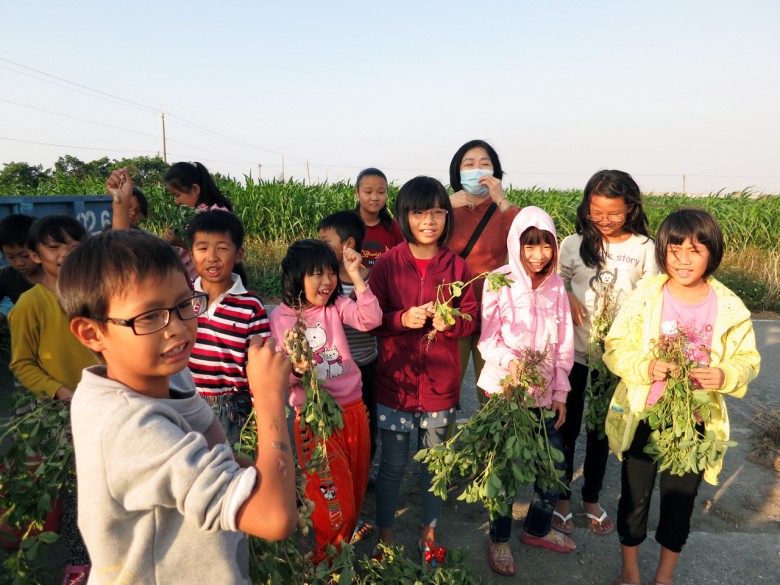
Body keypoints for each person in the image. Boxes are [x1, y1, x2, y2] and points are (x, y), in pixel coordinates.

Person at [58, 229, 297, 584]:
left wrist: (257, 476)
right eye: (150, 316)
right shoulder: (129, 427)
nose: (179, 329)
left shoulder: (169, 375)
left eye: (184, 305)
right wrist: (269, 400)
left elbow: (219, 451)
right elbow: (274, 519)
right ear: (92, 333)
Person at [603, 209, 760, 585]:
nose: (683, 260)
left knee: (678, 502)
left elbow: (747, 359)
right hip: (645, 412)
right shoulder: (646, 295)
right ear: (662, 252)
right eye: (674, 251)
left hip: (694, 423)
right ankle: (630, 571)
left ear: (713, 252)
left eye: (694, 250)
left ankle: (665, 577)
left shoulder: (729, 306)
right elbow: (616, 346)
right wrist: (645, 366)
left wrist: (725, 374)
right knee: (634, 498)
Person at [370, 176, 478, 568]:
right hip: (395, 386)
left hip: (439, 387)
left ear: (446, 217)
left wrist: (450, 321)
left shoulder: (458, 266)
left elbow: (471, 320)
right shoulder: (387, 263)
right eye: (419, 212)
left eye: (437, 211)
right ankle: (385, 537)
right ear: (405, 216)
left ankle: (428, 535)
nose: (429, 220)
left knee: (436, 467)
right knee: (393, 466)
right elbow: (372, 319)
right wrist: (403, 317)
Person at [553, 169, 657, 536]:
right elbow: (556, 280)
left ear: (631, 208)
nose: (605, 220)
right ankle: (562, 497)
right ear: (587, 208)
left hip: (616, 362)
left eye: (614, 213)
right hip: (575, 356)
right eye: (597, 211)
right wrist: (566, 295)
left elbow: (651, 300)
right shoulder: (572, 244)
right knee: (565, 428)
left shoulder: (645, 249)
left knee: (601, 432)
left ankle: (591, 496)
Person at [269, 239, 382, 564]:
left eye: (331, 273)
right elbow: (279, 373)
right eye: (316, 275)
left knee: (355, 485)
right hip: (314, 418)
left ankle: (341, 539)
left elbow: (370, 319)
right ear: (296, 277)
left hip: (353, 410)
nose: (327, 281)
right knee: (333, 497)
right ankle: (325, 562)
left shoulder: (335, 307)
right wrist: (295, 370)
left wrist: (357, 276)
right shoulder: (280, 318)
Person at [477, 206, 575, 576]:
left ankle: (537, 528)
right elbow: (487, 340)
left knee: (554, 468)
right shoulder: (498, 281)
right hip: (504, 392)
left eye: (545, 246)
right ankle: (499, 539)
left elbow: (563, 344)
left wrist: (561, 390)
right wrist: (511, 364)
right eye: (529, 247)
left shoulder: (557, 286)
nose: (538, 255)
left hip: (545, 396)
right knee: (502, 471)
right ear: (515, 245)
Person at [8, 215, 98, 584]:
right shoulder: (31, 304)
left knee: (93, 486)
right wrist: (61, 392)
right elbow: (22, 364)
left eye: (74, 247)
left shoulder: (94, 295)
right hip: (55, 411)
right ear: (35, 254)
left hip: (96, 404)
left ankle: (91, 557)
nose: (65, 254)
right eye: (54, 247)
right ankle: (76, 565)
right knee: (70, 488)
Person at [186, 210, 270, 447]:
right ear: (191, 255)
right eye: (202, 249)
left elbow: (258, 363)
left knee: (234, 470)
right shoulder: (182, 299)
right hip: (188, 401)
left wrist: (261, 414)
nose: (212, 257)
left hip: (234, 407)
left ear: (239, 254)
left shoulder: (251, 306)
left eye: (222, 248)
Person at [447, 140, 520, 407]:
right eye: (469, 164)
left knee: (493, 392)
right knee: (446, 389)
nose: (476, 170)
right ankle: (443, 446)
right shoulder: (444, 209)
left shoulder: (502, 211)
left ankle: (492, 447)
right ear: (457, 171)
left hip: (493, 314)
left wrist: (500, 198)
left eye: (484, 164)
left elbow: (529, 239)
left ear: (495, 172)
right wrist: (443, 204)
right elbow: (411, 234)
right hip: (452, 311)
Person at [160, 161, 240, 281]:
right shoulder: (190, 215)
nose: (176, 201)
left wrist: (180, 242)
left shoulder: (217, 214)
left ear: (195, 189)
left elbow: (214, 249)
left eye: (177, 195)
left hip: (210, 281)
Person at [353, 167, 403, 268]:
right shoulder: (346, 224)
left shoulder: (393, 227)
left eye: (381, 192)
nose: (375, 198)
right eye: (368, 192)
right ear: (357, 193)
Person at [0, 214, 43, 323]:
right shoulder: (7, 277)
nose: (19, 263)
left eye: (24, 256)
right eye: (11, 257)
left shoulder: (58, 273)